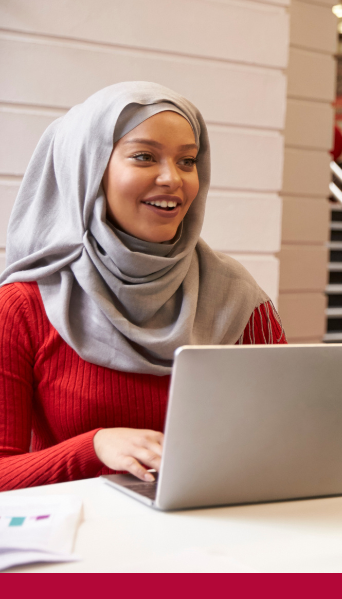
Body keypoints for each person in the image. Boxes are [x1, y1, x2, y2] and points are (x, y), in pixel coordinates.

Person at [0, 82, 286, 492]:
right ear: (89, 169)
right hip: (84, 530)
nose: (173, 178)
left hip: (215, 523)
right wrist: (94, 447)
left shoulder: (238, 298)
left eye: (187, 161)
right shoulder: (22, 306)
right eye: (144, 156)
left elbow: (285, 438)